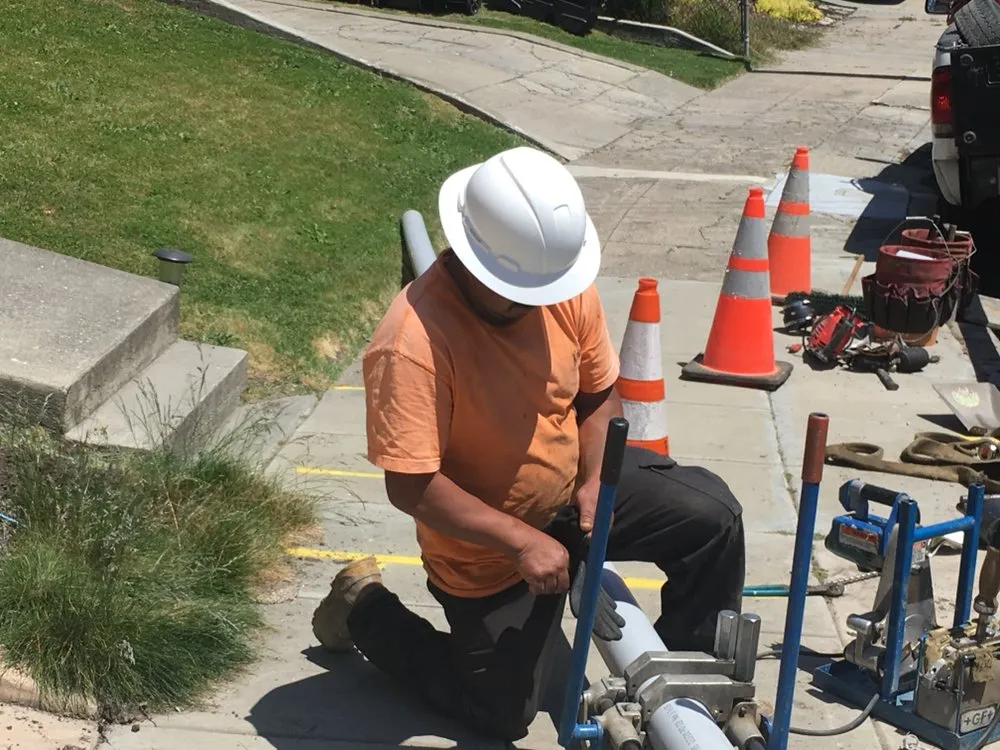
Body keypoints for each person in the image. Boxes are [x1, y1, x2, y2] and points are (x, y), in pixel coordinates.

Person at [311, 146, 746, 743]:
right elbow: (411, 485)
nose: (542, 299)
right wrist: (521, 541)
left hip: (572, 488)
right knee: (502, 712)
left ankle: (687, 703)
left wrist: (595, 480)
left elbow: (598, 395)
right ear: (476, 261)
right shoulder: (411, 342)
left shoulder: (554, 280)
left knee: (712, 518)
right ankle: (365, 607)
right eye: (523, 290)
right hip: (488, 547)